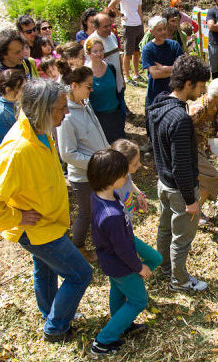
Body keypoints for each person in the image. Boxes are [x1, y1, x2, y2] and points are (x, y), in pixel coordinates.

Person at [0, 79, 93, 342]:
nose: (66, 113)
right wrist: (17, 216)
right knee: (80, 274)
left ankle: (50, 313)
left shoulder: (41, 131)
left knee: (45, 269)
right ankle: (56, 328)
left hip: (50, 222)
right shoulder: (18, 150)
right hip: (37, 229)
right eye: (61, 108)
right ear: (41, 108)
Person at [87, 149, 162, 356]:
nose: (127, 176)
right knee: (139, 301)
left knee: (119, 289)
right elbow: (121, 249)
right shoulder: (110, 215)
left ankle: (122, 321)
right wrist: (139, 267)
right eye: (123, 174)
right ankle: (103, 341)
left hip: (113, 262)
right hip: (121, 265)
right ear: (112, 178)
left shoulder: (101, 196)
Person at [147, 54, 210, 292]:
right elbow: (181, 165)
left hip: (163, 183)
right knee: (181, 240)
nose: (202, 91)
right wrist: (191, 201)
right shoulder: (180, 119)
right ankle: (180, 281)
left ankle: (164, 268)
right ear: (188, 84)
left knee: (164, 229)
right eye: (200, 85)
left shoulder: (159, 103)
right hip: (178, 189)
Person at [56, 66, 109, 263]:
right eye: (88, 86)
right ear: (74, 85)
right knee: (86, 214)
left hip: (98, 171)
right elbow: (67, 154)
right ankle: (77, 249)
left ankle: (99, 246)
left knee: (97, 212)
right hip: (84, 177)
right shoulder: (67, 117)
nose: (91, 90)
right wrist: (97, 163)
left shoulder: (85, 104)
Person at [189, 78, 218, 225]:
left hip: (200, 149)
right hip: (187, 150)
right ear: (215, 97)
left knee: (202, 181)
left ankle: (194, 210)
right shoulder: (197, 110)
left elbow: (211, 130)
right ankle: (191, 215)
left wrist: (214, 151)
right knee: (213, 178)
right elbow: (177, 132)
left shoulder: (217, 108)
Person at [85, 13, 127, 119]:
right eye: (105, 27)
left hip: (117, 82)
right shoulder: (91, 42)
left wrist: (121, 77)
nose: (109, 28)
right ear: (96, 27)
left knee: (120, 112)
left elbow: (117, 58)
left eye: (110, 25)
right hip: (105, 87)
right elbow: (89, 69)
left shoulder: (112, 36)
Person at [108, 0, 145, 87]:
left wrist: (142, 22)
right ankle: (127, 76)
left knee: (136, 51)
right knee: (128, 52)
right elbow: (111, 5)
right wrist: (121, 14)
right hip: (128, 26)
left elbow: (139, 10)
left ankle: (136, 74)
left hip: (138, 25)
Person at [86, 38, 125, 144]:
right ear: (88, 53)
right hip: (98, 119)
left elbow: (116, 91)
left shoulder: (111, 67)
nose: (99, 54)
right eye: (95, 51)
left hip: (115, 115)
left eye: (101, 50)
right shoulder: (86, 73)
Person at [111, 139, 148, 217]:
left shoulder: (126, 174)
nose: (140, 165)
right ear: (122, 166)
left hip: (128, 217)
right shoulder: (114, 190)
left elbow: (130, 183)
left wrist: (139, 193)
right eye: (135, 164)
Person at [0, 69, 25, 143]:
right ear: (8, 90)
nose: (25, 91)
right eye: (21, 88)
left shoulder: (17, 103)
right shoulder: (3, 112)